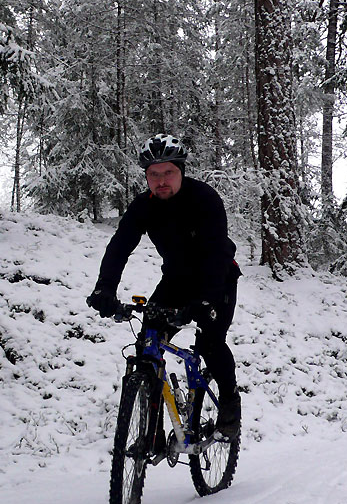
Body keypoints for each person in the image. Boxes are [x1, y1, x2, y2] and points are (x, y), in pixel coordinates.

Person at [86, 133, 242, 440]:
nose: (161, 181)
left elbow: (217, 252)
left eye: (168, 172)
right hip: (176, 280)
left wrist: (206, 301)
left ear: (181, 171)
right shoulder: (143, 206)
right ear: (146, 176)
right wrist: (105, 289)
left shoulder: (205, 199)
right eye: (153, 175)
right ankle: (152, 430)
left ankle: (229, 401)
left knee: (210, 342)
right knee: (148, 345)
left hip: (218, 277)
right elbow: (119, 246)